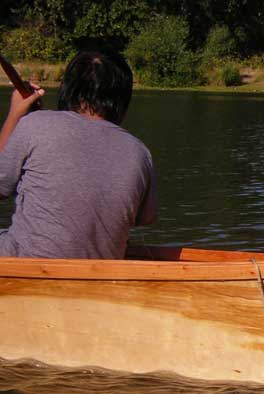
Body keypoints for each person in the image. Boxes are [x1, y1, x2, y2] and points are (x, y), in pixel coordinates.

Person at [0, 50, 157, 259]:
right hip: (98, 274)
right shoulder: (140, 152)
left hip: (23, 266)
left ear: (67, 89)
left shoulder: (35, 124)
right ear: (123, 102)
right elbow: (146, 217)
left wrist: (15, 114)